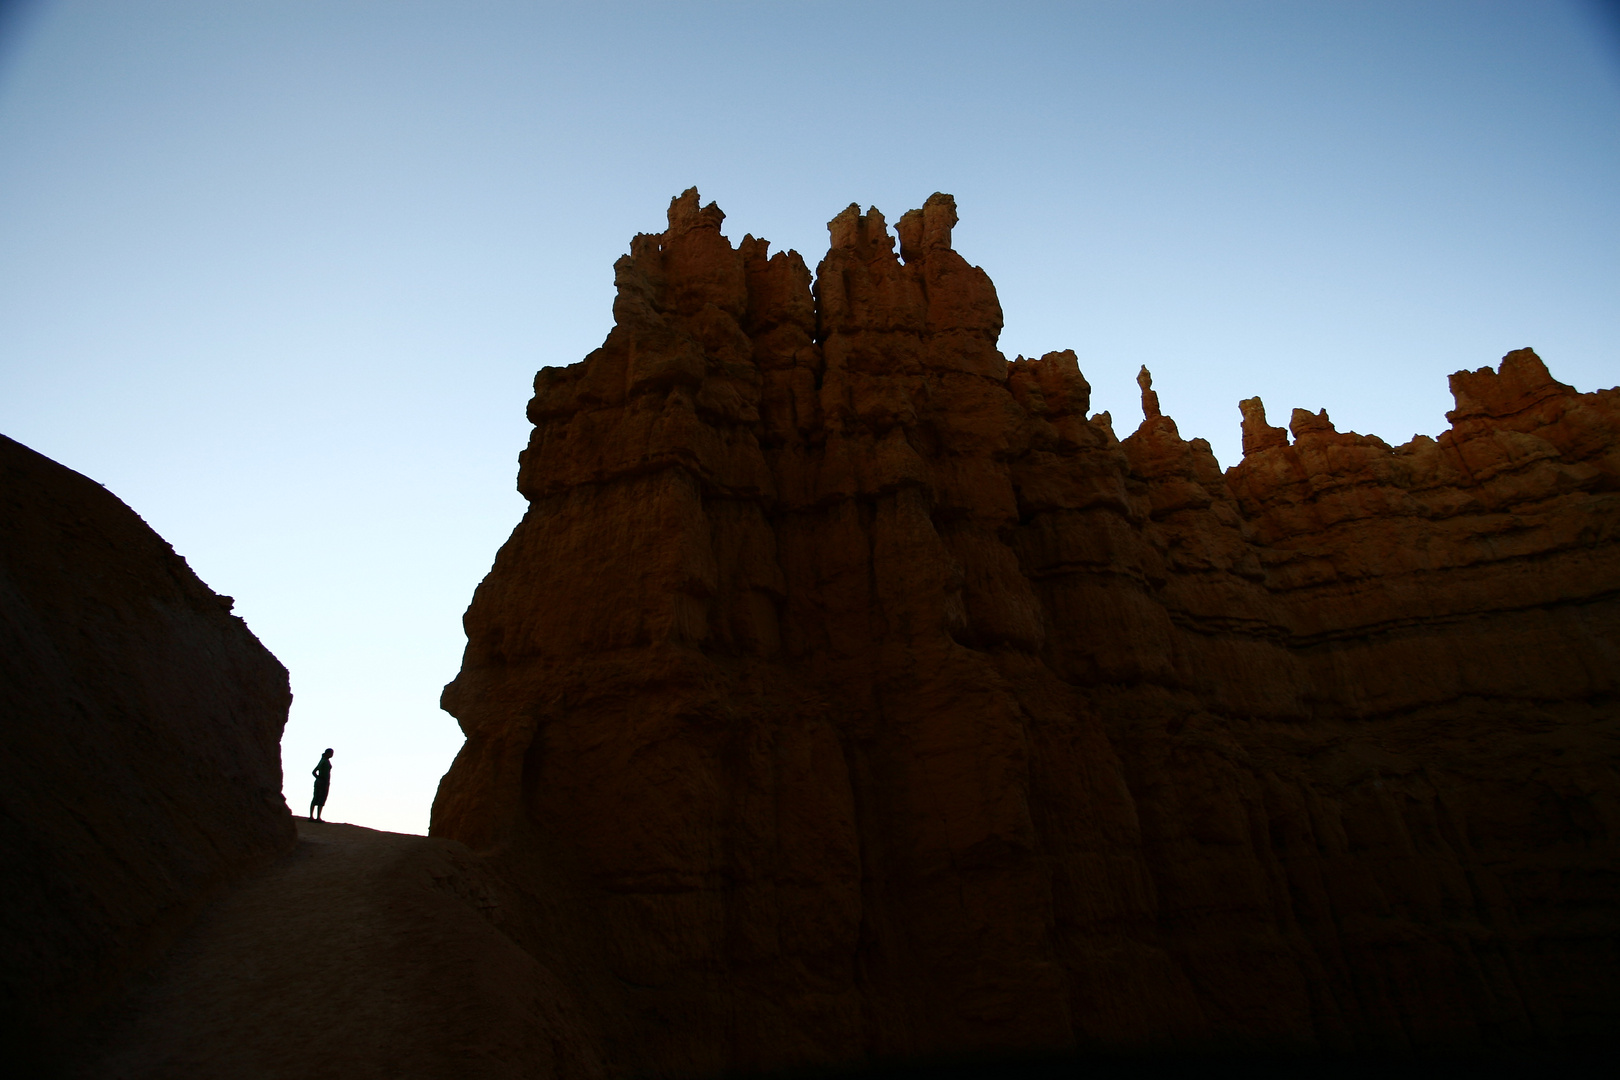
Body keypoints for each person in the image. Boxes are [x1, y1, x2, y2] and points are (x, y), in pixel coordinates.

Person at [310, 748, 333, 821]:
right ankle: (317, 817)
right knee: (321, 798)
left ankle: (313, 816)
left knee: (316, 798)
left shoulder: (322, 761)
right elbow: (314, 772)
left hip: (320, 781)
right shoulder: (324, 761)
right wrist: (321, 779)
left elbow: (314, 772)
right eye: (331, 753)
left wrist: (318, 778)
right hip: (323, 782)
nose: (332, 755)